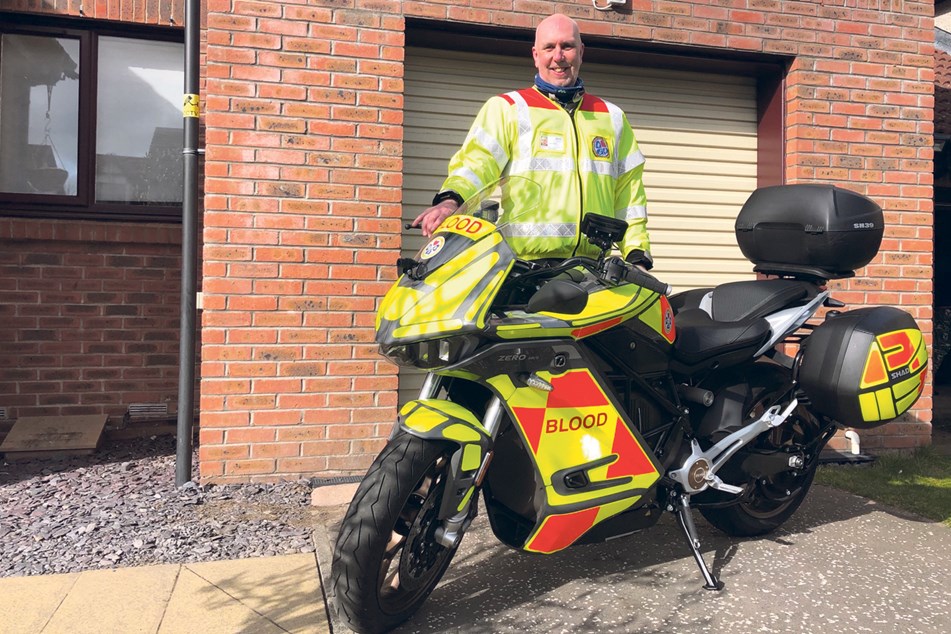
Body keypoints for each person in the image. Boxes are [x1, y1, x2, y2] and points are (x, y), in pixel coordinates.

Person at [412, 13, 653, 270]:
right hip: (524, 270)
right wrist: (451, 201)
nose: (558, 56)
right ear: (536, 54)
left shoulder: (612, 117)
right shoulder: (508, 109)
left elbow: (630, 194)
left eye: (567, 46)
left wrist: (636, 252)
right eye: (549, 47)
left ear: (581, 51)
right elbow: (476, 165)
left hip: (593, 272)